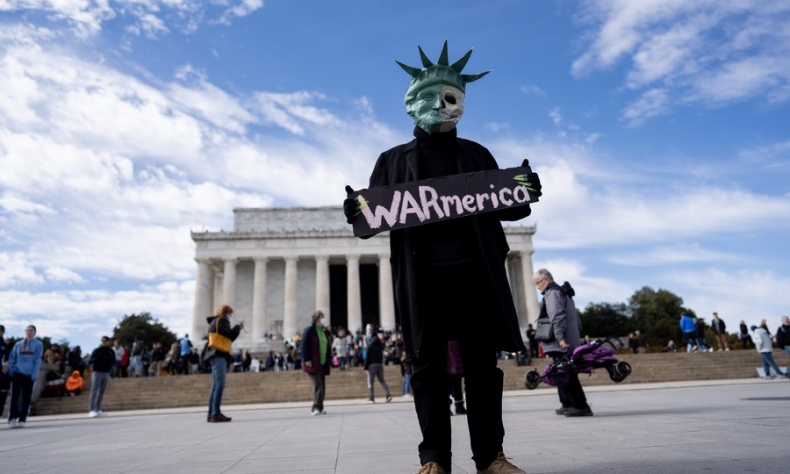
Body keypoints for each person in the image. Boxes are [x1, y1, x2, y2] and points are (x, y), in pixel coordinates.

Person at [343, 41, 539, 474]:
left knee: (482, 368)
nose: (443, 106)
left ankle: (490, 457)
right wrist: (357, 211)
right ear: (413, 103)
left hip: (474, 275)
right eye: (433, 97)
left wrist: (525, 190)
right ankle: (433, 459)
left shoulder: (476, 154)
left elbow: (508, 208)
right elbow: (372, 221)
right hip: (422, 278)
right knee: (426, 369)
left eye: (452, 98)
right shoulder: (391, 161)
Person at [534, 269, 592, 417]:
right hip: (568, 339)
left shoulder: (553, 293)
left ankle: (581, 406)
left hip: (560, 342)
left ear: (546, 280)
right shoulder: (564, 292)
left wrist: (560, 338)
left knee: (567, 373)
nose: (537, 287)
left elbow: (557, 316)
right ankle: (567, 403)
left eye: (538, 283)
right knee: (560, 372)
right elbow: (576, 320)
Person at [202, 304, 243, 423]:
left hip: (214, 354)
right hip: (218, 354)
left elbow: (227, 338)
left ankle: (211, 413)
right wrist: (238, 326)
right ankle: (215, 414)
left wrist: (236, 329)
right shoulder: (221, 321)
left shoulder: (215, 322)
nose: (230, 316)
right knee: (220, 384)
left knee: (216, 385)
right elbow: (230, 335)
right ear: (225, 313)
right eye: (230, 314)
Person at [7, 325, 44, 428]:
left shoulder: (38, 344)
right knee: (14, 397)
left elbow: (38, 360)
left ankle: (22, 419)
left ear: (34, 332)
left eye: (31, 330)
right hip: (17, 373)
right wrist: (11, 371)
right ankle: (12, 418)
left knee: (26, 398)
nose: (29, 332)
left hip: (29, 375)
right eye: (27, 330)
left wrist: (34, 374)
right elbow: (12, 358)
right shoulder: (18, 344)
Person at [301, 311, 332, 415]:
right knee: (318, 385)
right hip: (312, 362)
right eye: (322, 317)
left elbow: (328, 344)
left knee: (322, 385)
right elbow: (304, 345)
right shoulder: (310, 331)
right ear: (317, 319)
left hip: (322, 363)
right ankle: (316, 408)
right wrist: (307, 359)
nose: (324, 319)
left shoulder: (324, 331)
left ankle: (320, 407)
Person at [87, 336, 115, 417]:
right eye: (103, 341)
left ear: (108, 342)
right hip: (97, 372)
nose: (104, 342)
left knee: (101, 391)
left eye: (106, 341)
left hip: (106, 372)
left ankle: (98, 409)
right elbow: (90, 360)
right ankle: (92, 409)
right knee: (94, 391)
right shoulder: (97, 350)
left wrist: (111, 370)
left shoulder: (111, 351)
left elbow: (113, 361)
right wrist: (96, 359)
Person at [364, 332, 392, 403]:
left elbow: (367, 357)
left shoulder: (370, 346)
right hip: (380, 364)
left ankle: (372, 397)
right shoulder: (380, 346)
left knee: (371, 382)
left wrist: (365, 367)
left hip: (372, 365)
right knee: (382, 380)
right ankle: (388, 394)